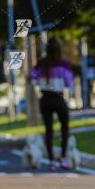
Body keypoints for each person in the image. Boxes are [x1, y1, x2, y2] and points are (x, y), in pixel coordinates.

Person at [31, 37, 74, 170]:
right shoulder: (63, 64)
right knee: (64, 128)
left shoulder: (41, 63)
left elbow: (33, 79)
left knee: (48, 130)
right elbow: (68, 82)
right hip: (58, 98)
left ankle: (51, 161)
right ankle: (63, 158)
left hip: (45, 99)